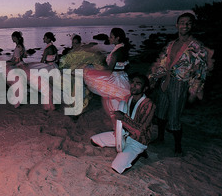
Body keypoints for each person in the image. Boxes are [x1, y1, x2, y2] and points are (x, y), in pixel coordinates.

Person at [148, 12, 213, 155]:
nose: (185, 25)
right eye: (182, 22)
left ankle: (178, 147)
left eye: (188, 23)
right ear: (177, 25)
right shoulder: (171, 44)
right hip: (165, 81)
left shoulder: (197, 47)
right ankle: (160, 138)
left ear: (192, 26)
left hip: (180, 83)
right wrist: (152, 78)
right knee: (161, 112)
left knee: (174, 116)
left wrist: (194, 91)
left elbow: (200, 71)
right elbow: (163, 63)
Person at [90, 73, 156, 174]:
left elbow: (141, 131)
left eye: (138, 84)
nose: (133, 86)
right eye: (132, 83)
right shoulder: (127, 97)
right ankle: (124, 146)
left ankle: (140, 152)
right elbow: (119, 120)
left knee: (117, 167)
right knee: (94, 140)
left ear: (145, 88)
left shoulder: (149, 104)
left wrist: (123, 118)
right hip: (125, 134)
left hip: (138, 140)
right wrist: (118, 131)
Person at [83, 28, 131, 127]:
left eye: (111, 37)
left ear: (117, 38)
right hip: (122, 77)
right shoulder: (122, 49)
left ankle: (117, 128)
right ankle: (119, 127)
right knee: (115, 104)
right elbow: (122, 65)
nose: (109, 38)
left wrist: (93, 72)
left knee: (113, 105)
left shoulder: (116, 53)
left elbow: (109, 71)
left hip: (115, 80)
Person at [59, 35, 105, 116]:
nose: (74, 45)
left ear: (80, 43)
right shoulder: (70, 52)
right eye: (73, 43)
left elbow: (88, 62)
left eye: (76, 43)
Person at [27, 32, 59, 111]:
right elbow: (57, 58)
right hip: (54, 66)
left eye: (44, 38)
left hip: (48, 67)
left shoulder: (47, 49)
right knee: (51, 85)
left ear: (48, 39)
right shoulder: (54, 47)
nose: (43, 39)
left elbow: (42, 61)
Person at [6, 31, 28, 108]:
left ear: (16, 37)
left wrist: (8, 63)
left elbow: (16, 60)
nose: (12, 39)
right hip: (22, 64)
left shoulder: (18, 47)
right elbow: (21, 57)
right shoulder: (21, 46)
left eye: (13, 37)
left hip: (18, 66)